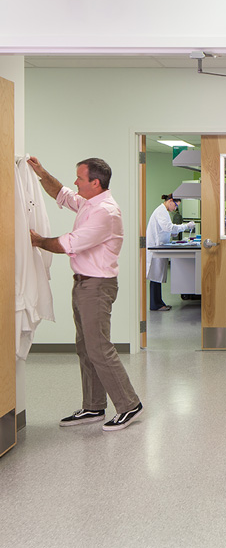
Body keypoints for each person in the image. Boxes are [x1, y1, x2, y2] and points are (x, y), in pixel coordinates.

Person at [28, 156, 143, 432]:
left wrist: (36, 240)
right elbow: (62, 193)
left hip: (97, 286)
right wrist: (42, 173)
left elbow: (71, 243)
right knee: (85, 347)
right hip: (83, 283)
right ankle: (93, 406)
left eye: (80, 178)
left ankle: (129, 405)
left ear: (95, 182)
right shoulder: (89, 202)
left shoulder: (106, 212)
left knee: (99, 348)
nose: (75, 182)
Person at [146, 194, 195, 311]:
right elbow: (168, 227)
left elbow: (165, 229)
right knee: (155, 277)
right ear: (171, 201)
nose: (175, 209)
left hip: (159, 246)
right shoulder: (161, 211)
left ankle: (158, 303)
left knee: (157, 277)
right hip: (155, 247)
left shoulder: (163, 211)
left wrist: (172, 233)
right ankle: (155, 305)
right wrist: (186, 226)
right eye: (176, 205)